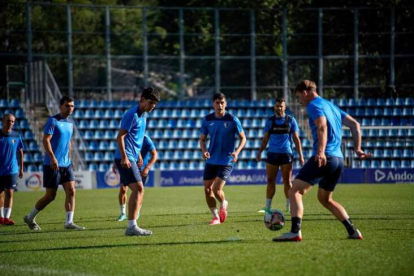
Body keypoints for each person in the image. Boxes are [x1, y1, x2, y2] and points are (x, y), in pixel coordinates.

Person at [273, 80, 371, 242]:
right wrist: (357, 149)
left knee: (294, 191)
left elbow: (322, 126)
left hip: (325, 157)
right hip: (338, 159)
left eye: (299, 97)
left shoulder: (313, 105)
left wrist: (320, 152)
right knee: (325, 199)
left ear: (305, 92)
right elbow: (355, 125)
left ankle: (295, 232)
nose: (300, 102)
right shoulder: (331, 106)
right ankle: (353, 230)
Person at [24, 95, 85, 231]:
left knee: (71, 191)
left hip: (66, 164)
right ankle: (29, 217)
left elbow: (68, 141)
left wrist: (69, 157)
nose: (70, 108)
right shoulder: (53, 121)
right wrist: (52, 158)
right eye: (67, 106)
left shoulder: (70, 123)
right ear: (60, 106)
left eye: (72, 106)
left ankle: (69, 223)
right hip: (52, 164)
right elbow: (46, 140)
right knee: (50, 196)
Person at [114, 87, 160, 236]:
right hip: (126, 157)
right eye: (151, 102)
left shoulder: (143, 115)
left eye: (155, 103)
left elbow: (135, 137)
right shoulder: (132, 114)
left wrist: (139, 153)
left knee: (139, 189)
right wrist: (124, 157)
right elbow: (120, 137)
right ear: (142, 100)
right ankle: (131, 226)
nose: (153, 105)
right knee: (138, 189)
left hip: (133, 156)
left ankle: (132, 225)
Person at [200, 93, 247, 225]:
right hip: (211, 160)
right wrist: (204, 152)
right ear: (213, 104)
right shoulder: (207, 119)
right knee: (207, 190)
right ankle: (215, 217)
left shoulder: (232, 119)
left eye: (222, 103)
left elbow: (243, 138)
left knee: (216, 189)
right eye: (217, 102)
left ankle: (223, 202)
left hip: (226, 161)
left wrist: (237, 152)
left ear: (225, 104)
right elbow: (202, 140)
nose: (220, 105)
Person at [255, 98, 304, 212]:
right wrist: (259, 152)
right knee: (270, 180)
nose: (279, 108)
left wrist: (301, 156)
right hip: (272, 154)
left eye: (281, 106)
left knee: (287, 181)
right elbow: (265, 139)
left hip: (286, 154)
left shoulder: (291, 120)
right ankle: (267, 207)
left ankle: (289, 205)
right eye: (277, 106)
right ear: (274, 107)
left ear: (285, 107)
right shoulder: (270, 121)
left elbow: (296, 139)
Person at [115, 134, 158, 221]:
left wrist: (147, 168)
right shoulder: (128, 137)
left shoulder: (146, 139)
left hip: (142, 170)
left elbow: (155, 155)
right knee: (123, 189)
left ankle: (137, 212)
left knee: (139, 191)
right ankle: (123, 213)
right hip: (129, 166)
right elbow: (121, 150)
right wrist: (114, 164)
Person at [0, 114, 24, 225]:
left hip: (12, 170)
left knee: (9, 193)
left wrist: (21, 168)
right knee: (0, 194)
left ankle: (6, 218)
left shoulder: (16, 135)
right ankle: (1, 217)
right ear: (3, 121)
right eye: (8, 121)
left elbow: (20, 151)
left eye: (13, 121)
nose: (11, 123)